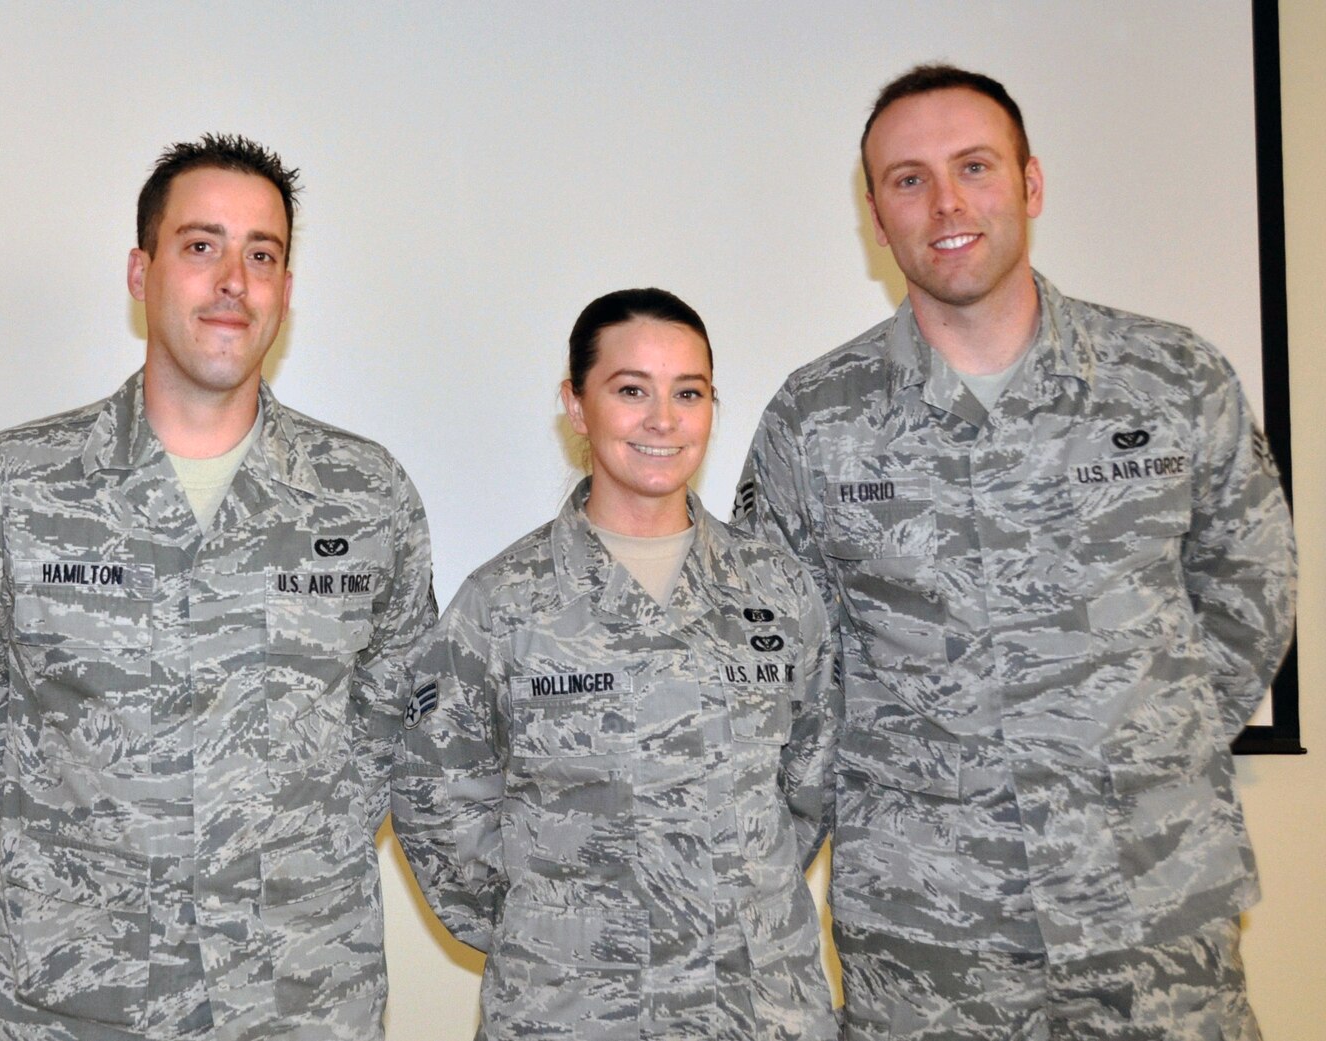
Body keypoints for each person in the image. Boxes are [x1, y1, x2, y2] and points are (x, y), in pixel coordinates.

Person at [734, 64, 1297, 1039]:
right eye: (907, 179)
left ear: (1028, 185)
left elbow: (1250, 587)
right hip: (927, 942)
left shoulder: (1171, 380)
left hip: (1155, 919)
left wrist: (1134, 743)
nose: (945, 202)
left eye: (973, 167)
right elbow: (772, 664)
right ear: (875, 214)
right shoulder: (812, 422)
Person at [0, 133, 436, 1041]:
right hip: (73, 995)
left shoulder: (367, 494)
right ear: (140, 271)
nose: (234, 279)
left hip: (300, 997)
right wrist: (67, 862)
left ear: (285, 289)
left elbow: (404, 713)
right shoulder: (15, 485)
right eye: (202, 246)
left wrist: (298, 849)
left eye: (261, 254)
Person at [394, 288, 838, 1041]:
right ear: (576, 405)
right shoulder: (502, 604)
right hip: (573, 1012)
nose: (663, 420)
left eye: (688, 392)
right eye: (631, 390)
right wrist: (559, 931)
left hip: (758, 1007)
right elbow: (439, 806)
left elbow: (808, 790)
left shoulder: (779, 591)